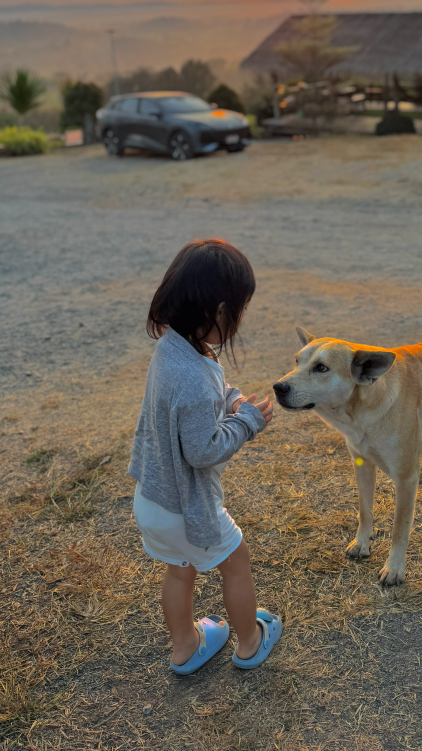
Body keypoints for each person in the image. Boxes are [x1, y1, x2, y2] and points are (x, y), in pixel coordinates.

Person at [129, 239, 281, 674]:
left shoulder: (174, 348)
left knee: (180, 570)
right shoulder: (193, 376)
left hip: (153, 500)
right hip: (186, 508)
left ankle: (186, 646)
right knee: (236, 562)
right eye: (240, 309)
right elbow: (203, 450)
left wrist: (232, 399)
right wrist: (247, 422)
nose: (240, 319)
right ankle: (250, 641)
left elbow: (206, 394)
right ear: (220, 310)